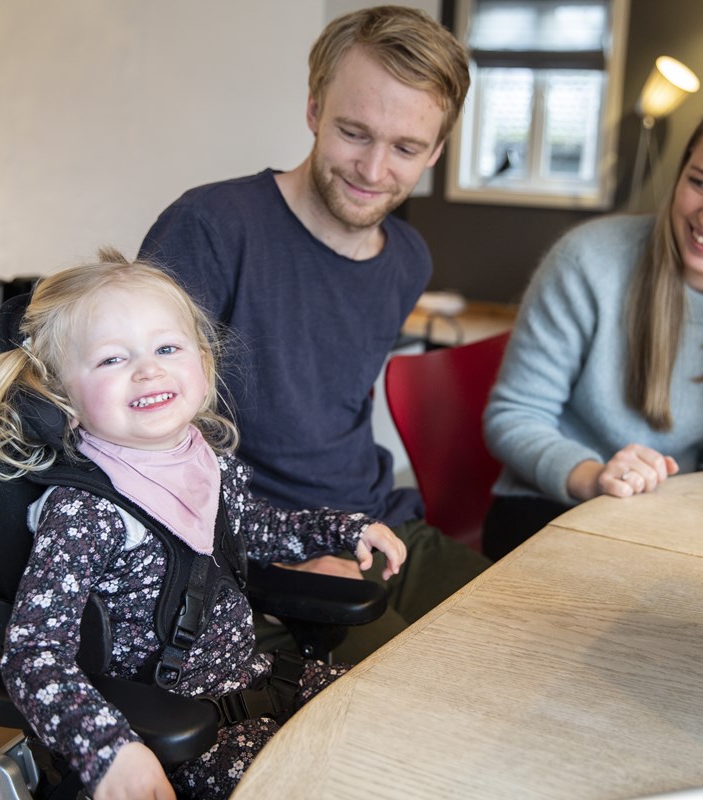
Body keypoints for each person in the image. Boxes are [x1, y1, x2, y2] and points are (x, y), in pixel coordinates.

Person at [0, 249, 406, 800]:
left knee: (394, 725)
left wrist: (340, 530)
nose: (148, 369)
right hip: (169, 734)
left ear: (204, 366)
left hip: (255, 682)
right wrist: (111, 752)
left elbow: (252, 528)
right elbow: (33, 655)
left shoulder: (208, 460)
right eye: (112, 359)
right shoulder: (85, 511)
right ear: (61, 395)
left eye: (167, 348)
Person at [138, 5, 488, 662]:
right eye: (354, 132)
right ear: (313, 110)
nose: (375, 169)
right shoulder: (211, 227)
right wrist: (276, 548)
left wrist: (348, 532)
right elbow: (133, 442)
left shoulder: (408, 259)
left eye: (407, 148)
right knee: (429, 696)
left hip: (376, 522)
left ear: (436, 152)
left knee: (524, 643)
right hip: (251, 550)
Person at [482, 87, 703, 560]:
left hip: (682, 516)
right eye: (700, 182)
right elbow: (513, 415)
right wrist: (594, 475)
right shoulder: (589, 259)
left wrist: (686, 511)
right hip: (554, 506)